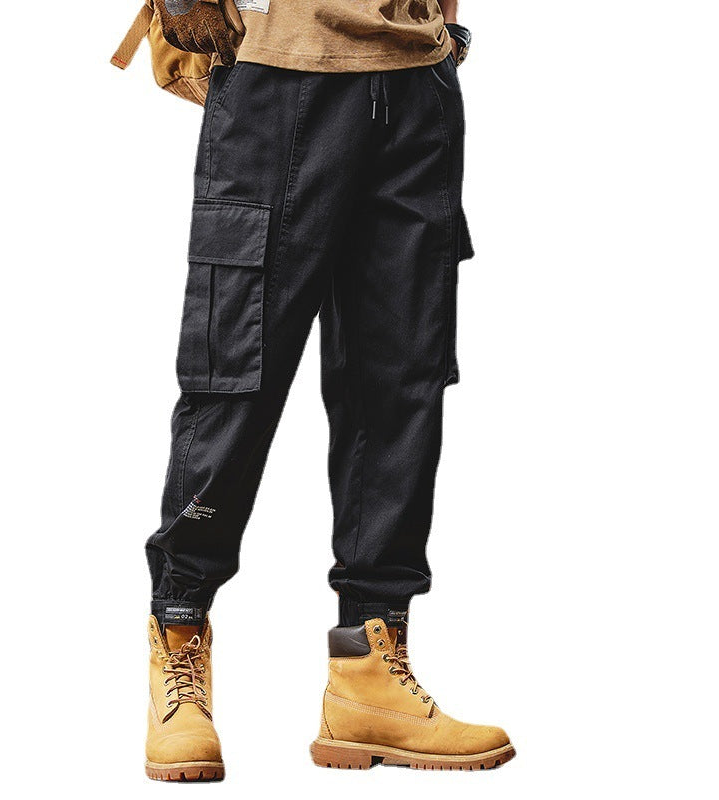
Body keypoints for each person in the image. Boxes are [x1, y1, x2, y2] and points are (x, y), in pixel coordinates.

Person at [142, 0, 514, 782]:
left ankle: (368, 672)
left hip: (416, 83)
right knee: (235, 376)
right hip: (279, 77)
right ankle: (179, 634)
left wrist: (443, 33)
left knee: (400, 384)